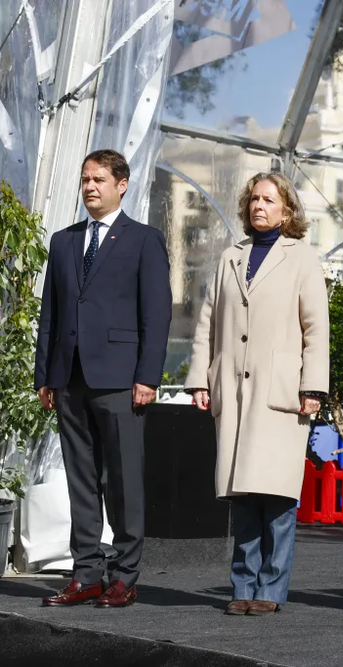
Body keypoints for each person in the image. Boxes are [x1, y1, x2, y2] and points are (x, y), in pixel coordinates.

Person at [185, 172, 329, 616]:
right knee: (243, 494)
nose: (259, 206)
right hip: (234, 390)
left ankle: (270, 589)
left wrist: (313, 386)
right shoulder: (231, 256)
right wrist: (199, 379)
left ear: (287, 210)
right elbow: (207, 321)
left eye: (269, 199)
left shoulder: (302, 258)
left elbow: (315, 328)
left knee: (279, 496)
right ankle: (241, 587)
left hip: (281, 392)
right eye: (254, 199)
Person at [34, 149, 172, 608]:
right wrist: (45, 376)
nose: (90, 186)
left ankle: (124, 575)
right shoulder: (63, 241)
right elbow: (49, 315)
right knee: (81, 480)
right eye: (85, 179)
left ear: (122, 185)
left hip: (121, 379)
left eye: (98, 179)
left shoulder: (144, 240)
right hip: (69, 379)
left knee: (124, 481)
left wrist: (147, 376)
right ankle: (87, 573)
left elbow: (156, 315)